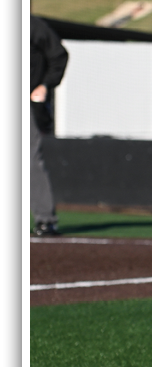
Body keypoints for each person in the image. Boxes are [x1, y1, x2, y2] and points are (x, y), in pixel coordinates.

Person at [30, 15, 69, 237]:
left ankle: (45, 220)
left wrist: (45, 85)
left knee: (29, 158)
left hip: (28, 102)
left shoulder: (33, 27)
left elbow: (59, 56)